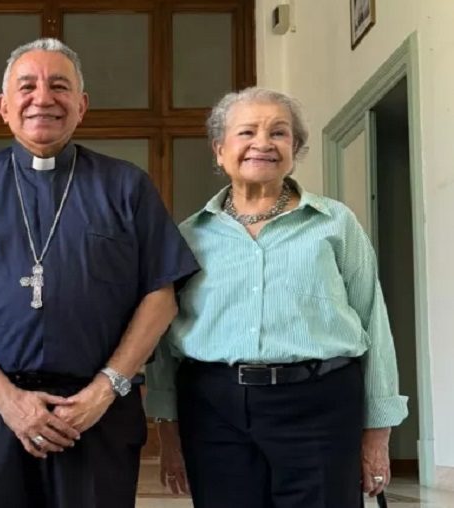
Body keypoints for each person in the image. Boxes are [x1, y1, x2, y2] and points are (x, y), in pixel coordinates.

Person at [0, 38, 200, 508]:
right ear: (4, 106)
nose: (43, 98)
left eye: (60, 86)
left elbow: (160, 295)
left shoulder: (126, 187)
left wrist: (105, 390)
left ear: (81, 106)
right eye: (27, 86)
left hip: (98, 411)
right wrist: (7, 400)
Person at [145, 87, 408, 507]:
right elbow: (165, 342)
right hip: (214, 407)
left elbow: (373, 320)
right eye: (246, 132)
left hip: (319, 403)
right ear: (219, 150)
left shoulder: (335, 223)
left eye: (279, 133)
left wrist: (378, 432)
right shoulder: (189, 236)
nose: (262, 143)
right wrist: (168, 430)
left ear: (296, 148)